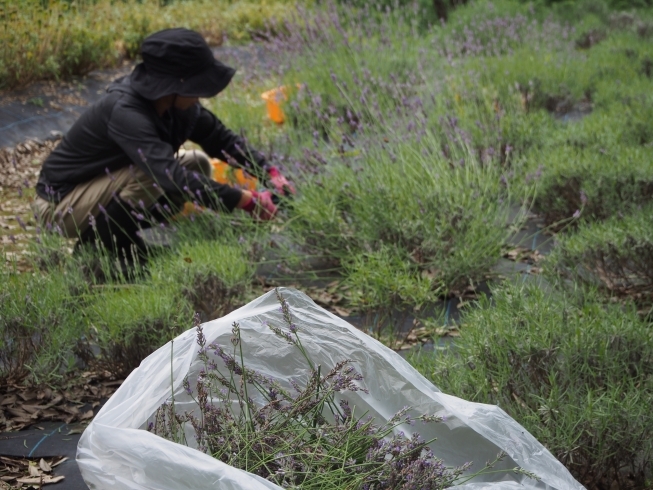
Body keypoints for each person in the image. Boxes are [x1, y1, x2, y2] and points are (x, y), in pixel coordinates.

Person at [34, 27, 295, 261]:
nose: (199, 95)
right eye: (196, 87)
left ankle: (121, 239)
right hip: (59, 205)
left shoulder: (178, 106)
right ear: (172, 85)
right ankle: (98, 251)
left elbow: (220, 139)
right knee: (154, 174)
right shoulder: (126, 112)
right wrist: (247, 201)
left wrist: (269, 173)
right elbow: (170, 175)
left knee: (197, 163)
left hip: (101, 189)